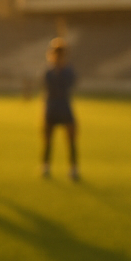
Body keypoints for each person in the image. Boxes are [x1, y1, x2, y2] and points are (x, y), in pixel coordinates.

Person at [41, 38, 79, 181]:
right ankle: (45, 165)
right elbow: (47, 89)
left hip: (64, 107)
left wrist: (63, 69)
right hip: (51, 107)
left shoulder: (68, 71)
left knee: (71, 139)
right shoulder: (48, 72)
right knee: (48, 139)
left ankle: (73, 167)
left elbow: (70, 84)